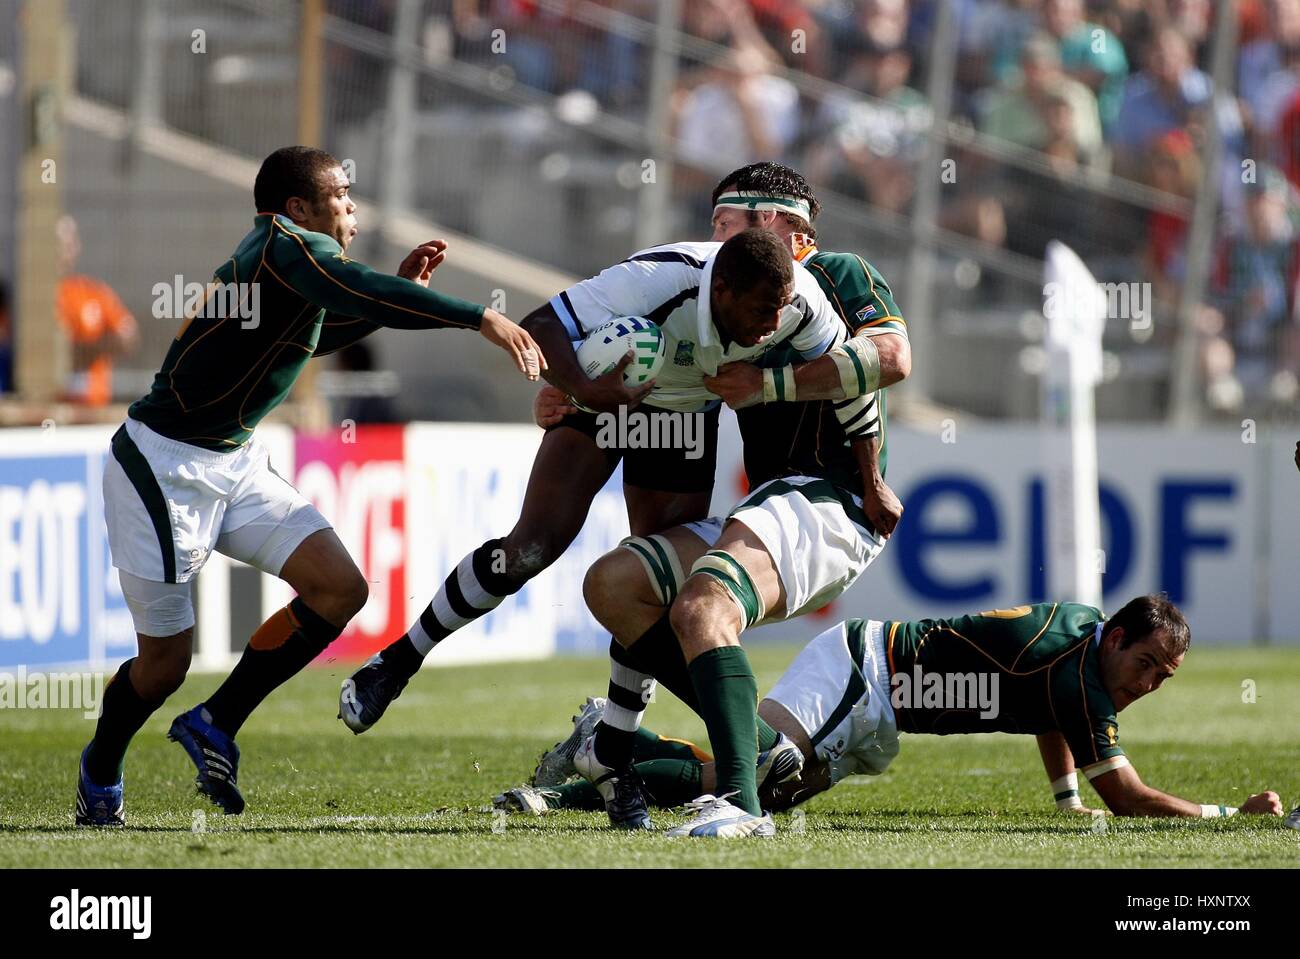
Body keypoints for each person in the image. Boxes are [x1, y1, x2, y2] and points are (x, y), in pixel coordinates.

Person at [75, 145, 544, 827]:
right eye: (342, 193)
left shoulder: (290, 260)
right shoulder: (286, 245)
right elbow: (358, 289)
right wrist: (481, 317)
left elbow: (318, 327)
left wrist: (389, 295)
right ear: (299, 207)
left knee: (340, 587)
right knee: (164, 665)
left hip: (231, 461)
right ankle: (100, 766)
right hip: (163, 465)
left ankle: (216, 721)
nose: (352, 204)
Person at [497, 597, 1285, 826]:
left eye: (1163, 678)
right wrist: (1232, 813)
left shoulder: (1081, 649)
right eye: (1145, 664)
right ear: (1115, 638)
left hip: (885, 701)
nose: (1148, 683)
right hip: (867, 668)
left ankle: (593, 774)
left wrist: (1063, 798)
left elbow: (1054, 712)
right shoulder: (1080, 673)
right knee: (763, 771)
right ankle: (602, 740)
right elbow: (1132, 797)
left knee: (761, 783)